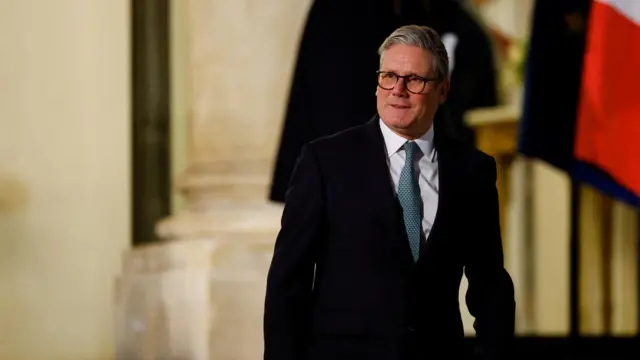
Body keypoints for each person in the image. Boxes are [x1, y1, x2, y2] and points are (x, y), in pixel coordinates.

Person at [263, 25, 515, 360]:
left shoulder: (472, 171)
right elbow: (287, 284)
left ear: (442, 90)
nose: (398, 90)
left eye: (414, 79)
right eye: (389, 76)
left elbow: (490, 285)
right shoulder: (325, 162)